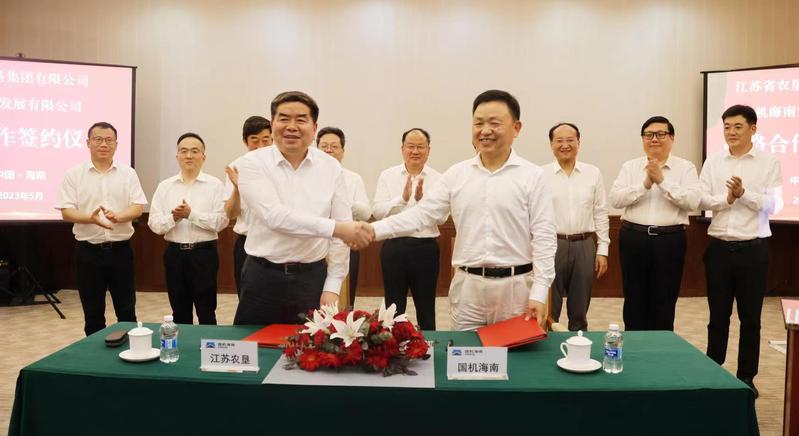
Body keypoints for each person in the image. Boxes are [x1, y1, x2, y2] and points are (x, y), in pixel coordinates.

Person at [363, 90, 557, 331]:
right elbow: (421, 215)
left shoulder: (533, 176)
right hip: (468, 289)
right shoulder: (457, 174)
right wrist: (371, 230)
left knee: (514, 353)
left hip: (516, 291)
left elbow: (544, 237)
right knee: (467, 353)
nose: (485, 130)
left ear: (516, 128)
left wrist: (539, 291)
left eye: (494, 123)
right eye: (478, 123)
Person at [232, 91, 368, 325]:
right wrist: (337, 228)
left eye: (301, 119)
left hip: (312, 278)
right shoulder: (250, 164)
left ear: (314, 127)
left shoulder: (331, 168)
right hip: (262, 277)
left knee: (312, 346)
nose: (291, 126)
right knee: (253, 343)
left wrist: (333, 285)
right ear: (272, 123)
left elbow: (341, 233)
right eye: (284, 118)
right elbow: (275, 217)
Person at [699, 104, 783, 398]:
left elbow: (774, 205)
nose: (731, 132)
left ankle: (746, 376)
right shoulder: (714, 162)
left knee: (750, 318)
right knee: (717, 316)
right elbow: (701, 200)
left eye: (738, 126)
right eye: (726, 127)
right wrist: (727, 199)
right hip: (719, 249)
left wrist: (744, 194)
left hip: (752, 249)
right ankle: (713, 369)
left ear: (753, 128)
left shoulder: (768, 162)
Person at [608, 116, 700, 331]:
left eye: (660, 134)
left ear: (672, 138)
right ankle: (634, 345)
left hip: (670, 240)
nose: (654, 139)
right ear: (643, 139)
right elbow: (615, 199)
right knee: (634, 299)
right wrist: (645, 185)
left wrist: (662, 181)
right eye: (649, 135)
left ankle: (660, 347)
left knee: (664, 300)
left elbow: (693, 201)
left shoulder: (685, 168)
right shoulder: (630, 167)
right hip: (634, 238)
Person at [56, 121, 147, 336]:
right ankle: (95, 353)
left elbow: (137, 207)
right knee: (93, 312)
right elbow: (67, 212)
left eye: (108, 140)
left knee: (126, 310)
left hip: (121, 250)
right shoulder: (73, 174)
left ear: (116, 144)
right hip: (88, 251)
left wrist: (118, 217)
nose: (103, 144)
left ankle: (129, 350)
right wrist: (91, 218)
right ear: (88, 143)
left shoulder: (128, 174)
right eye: (98, 139)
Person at [148, 132, 229, 325]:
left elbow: (221, 221)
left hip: (204, 255)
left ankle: (207, 344)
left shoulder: (215, 185)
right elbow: (154, 223)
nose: (189, 156)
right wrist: (174, 217)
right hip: (174, 255)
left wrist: (191, 215)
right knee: (179, 311)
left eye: (194, 151)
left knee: (206, 311)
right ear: (177, 156)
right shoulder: (165, 186)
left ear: (203, 156)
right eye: (183, 151)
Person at [372, 128, 444, 330]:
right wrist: (402, 199)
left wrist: (422, 200)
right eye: (410, 146)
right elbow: (377, 212)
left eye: (420, 147)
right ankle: (392, 345)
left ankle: (428, 345)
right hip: (394, 247)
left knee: (426, 305)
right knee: (393, 308)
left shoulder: (439, 178)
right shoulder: (387, 175)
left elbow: (442, 217)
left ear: (428, 150)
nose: (415, 151)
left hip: (426, 248)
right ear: (402, 149)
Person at [542, 122, 609, 331]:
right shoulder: (540, 174)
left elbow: (600, 212)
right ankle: (547, 346)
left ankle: (578, 346)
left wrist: (603, 250)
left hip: (584, 245)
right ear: (551, 145)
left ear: (579, 143)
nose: (565, 145)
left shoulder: (593, 173)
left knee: (580, 310)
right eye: (559, 141)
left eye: (570, 140)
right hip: (551, 245)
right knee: (549, 309)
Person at [316, 126, 371, 308]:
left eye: (334, 146)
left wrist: (342, 200)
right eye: (324, 146)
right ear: (316, 149)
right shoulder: (307, 178)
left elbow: (366, 213)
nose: (329, 150)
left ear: (343, 151)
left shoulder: (353, 179)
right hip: (314, 246)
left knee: (345, 298)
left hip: (346, 243)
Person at [224, 116, 273, 297]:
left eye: (266, 140)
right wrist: (238, 189)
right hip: (246, 243)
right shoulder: (236, 167)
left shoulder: (282, 165)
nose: (260, 146)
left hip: (276, 242)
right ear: (245, 142)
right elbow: (231, 214)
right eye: (254, 140)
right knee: (247, 297)